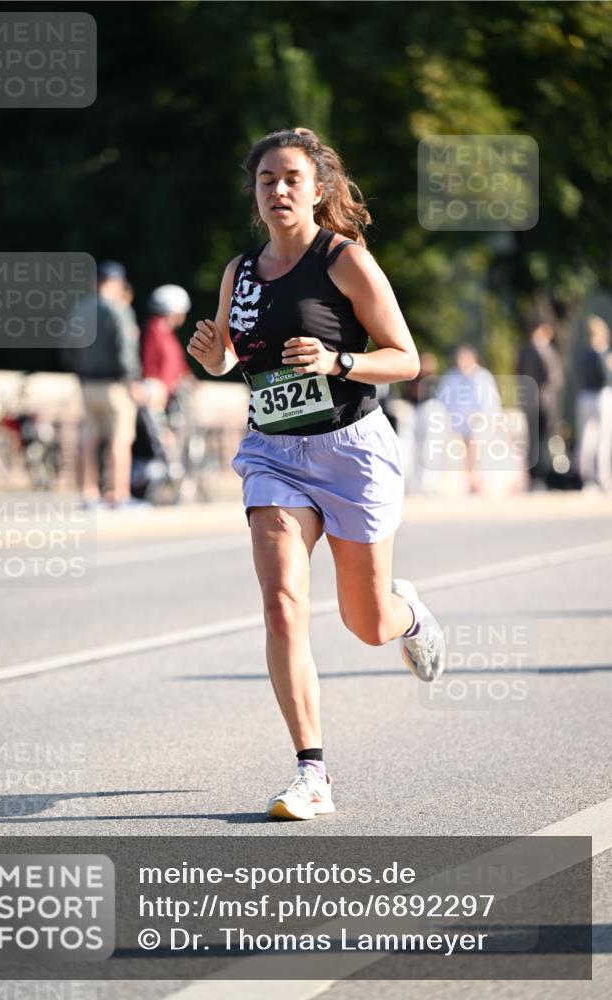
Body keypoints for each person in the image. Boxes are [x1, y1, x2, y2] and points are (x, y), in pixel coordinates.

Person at [186, 127, 446, 821]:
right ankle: (311, 775)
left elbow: (405, 358)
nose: (277, 190)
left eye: (291, 178)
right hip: (273, 451)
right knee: (281, 603)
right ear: (254, 191)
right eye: (266, 179)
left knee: (366, 622)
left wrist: (337, 363)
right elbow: (232, 360)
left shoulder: (344, 260)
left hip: (350, 450)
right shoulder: (240, 271)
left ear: (318, 189)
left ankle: (408, 612)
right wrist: (213, 356)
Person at [67, 260, 144, 507]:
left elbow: (68, 348)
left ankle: (88, 492)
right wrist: (132, 379)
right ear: (116, 283)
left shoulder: (80, 309)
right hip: (114, 384)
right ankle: (118, 494)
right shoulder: (118, 309)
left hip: (87, 383)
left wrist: (80, 371)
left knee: (89, 439)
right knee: (119, 438)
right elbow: (125, 349)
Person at [436, 344, 502, 493]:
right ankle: (461, 480)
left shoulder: (483, 377)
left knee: (475, 446)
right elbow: (443, 400)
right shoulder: (451, 377)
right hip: (456, 422)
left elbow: (490, 401)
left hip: (478, 422)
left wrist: (485, 418)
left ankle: (476, 480)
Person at [517, 318, 564, 489]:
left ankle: (543, 475)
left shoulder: (548, 351)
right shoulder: (529, 352)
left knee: (543, 439)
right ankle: (535, 477)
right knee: (534, 440)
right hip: (534, 401)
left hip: (546, 401)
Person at [141, 284, 194, 411]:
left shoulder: (159, 329)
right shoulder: (158, 331)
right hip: (159, 394)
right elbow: (167, 362)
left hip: (163, 392)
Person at [576, 315, 612, 492]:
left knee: (589, 438)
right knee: (598, 439)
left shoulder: (584, 353)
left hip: (586, 396)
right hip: (599, 396)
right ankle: (599, 478)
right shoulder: (599, 353)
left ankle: (591, 478)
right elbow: (604, 376)